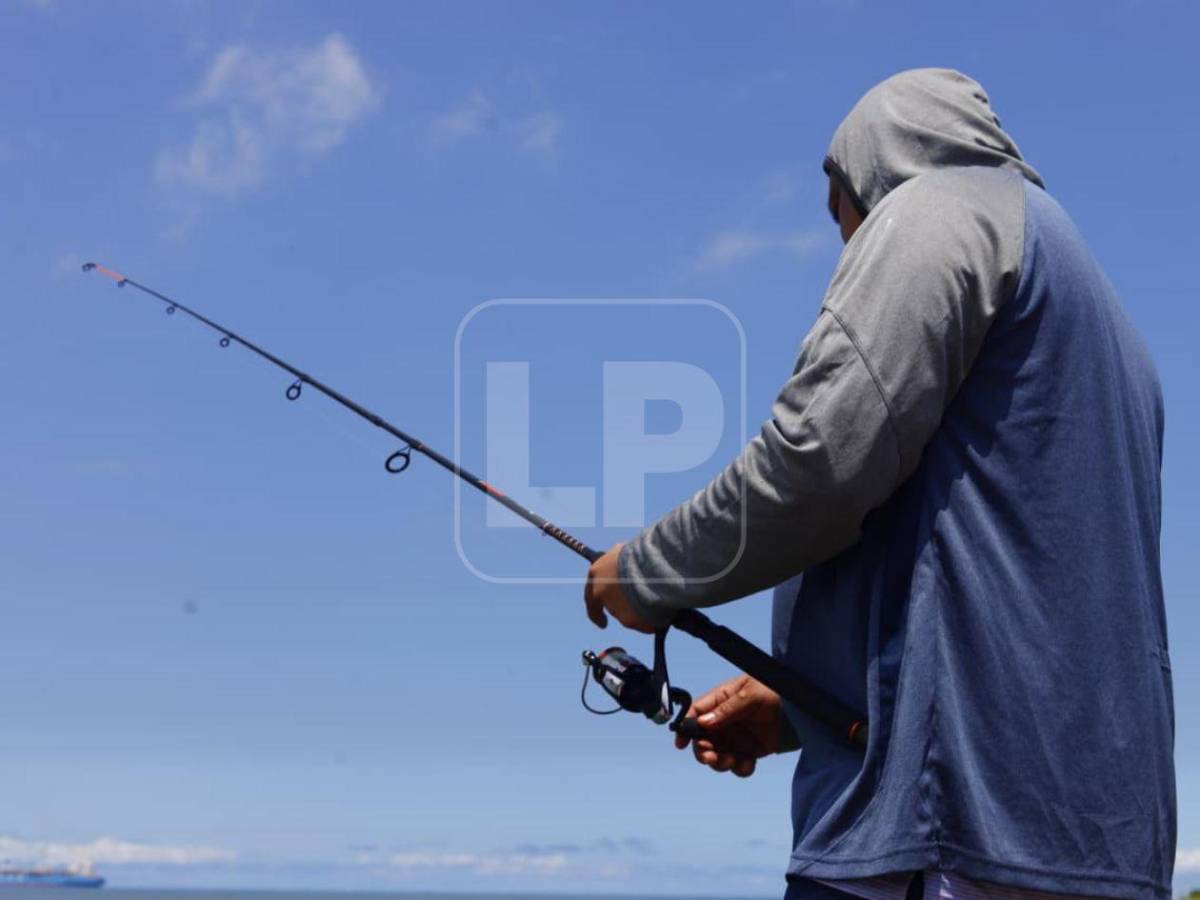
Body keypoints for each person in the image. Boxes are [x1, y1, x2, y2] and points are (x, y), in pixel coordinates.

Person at [583, 69, 1175, 899]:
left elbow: (819, 460)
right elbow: (1010, 588)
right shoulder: (1116, 336)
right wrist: (796, 709)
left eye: (843, 218)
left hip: (948, 836)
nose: (849, 247)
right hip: (1098, 840)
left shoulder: (939, 210)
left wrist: (647, 573)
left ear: (872, 173)